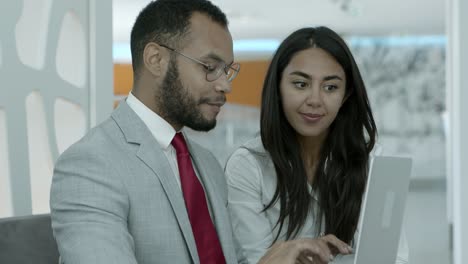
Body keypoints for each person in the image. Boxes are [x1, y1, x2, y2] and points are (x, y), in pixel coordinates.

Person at [50, 1, 349, 263]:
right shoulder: (90, 165)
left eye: (227, 70)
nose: (225, 85)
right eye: (209, 66)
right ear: (156, 59)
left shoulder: (205, 164)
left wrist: (289, 255)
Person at [225, 26, 410, 264]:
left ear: (345, 95)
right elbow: (257, 262)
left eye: (330, 87)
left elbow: (393, 258)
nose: (315, 100)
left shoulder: (371, 159)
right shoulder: (248, 166)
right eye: (301, 84)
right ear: (278, 88)